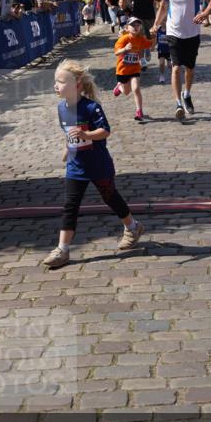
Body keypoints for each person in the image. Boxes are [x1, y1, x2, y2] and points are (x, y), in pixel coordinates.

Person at [42, 60, 144, 270]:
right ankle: (63, 249)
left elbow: (105, 131)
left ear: (77, 85)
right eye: (55, 82)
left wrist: (86, 134)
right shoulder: (61, 108)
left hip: (98, 165)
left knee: (110, 197)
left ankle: (133, 227)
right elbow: (69, 133)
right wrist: (68, 148)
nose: (56, 86)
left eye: (60, 82)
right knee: (70, 206)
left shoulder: (91, 107)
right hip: (76, 166)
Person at [150, 0, 211, 121]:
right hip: (173, 33)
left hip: (192, 33)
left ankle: (187, 93)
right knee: (176, 67)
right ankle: (178, 103)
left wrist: (205, 13)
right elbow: (163, 6)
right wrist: (156, 24)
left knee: (190, 68)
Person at [112, 17, 153, 122]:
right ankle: (119, 87)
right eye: (133, 25)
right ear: (127, 27)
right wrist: (125, 49)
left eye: (137, 25)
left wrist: (154, 35)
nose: (135, 27)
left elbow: (151, 45)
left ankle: (139, 111)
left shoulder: (140, 39)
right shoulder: (124, 39)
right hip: (122, 70)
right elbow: (116, 52)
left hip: (135, 69)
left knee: (136, 89)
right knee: (126, 92)